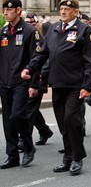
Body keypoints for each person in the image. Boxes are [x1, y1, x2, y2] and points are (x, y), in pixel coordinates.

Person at [21, 0, 91, 175]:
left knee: (71, 120)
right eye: (61, 8)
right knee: (62, 122)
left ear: (75, 12)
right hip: (58, 83)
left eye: (67, 9)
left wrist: (88, 85)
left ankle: (77, 158)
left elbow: (90, 61)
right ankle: (68, 158)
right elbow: (41, 53)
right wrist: (30, 68)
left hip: (75, 84)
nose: (63, 11)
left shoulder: (84, 30)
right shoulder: (54, 29)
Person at [0, 0, 38, 169]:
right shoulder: (4, 31)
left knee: (17, 115)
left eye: (9, 10)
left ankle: (28, 146)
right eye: (4, 11)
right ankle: (12, 155)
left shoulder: (29, 31)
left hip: (21, 81)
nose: (5, 13)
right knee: (8, 121)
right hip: (4, 82)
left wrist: (33, 82)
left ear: (18, 10)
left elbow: (37, 56)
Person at [24, 13, 54, 146]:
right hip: (25, 78)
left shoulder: (41, 39)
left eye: (33, 24)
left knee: (30, 109)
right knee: (29, 108)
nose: (31, 26)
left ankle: (23, 140)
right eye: (28, 23)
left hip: (38, 78)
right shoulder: (22, 37)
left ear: (38, 25)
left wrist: (41, 75)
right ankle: (44, 130)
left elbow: (45, 59)